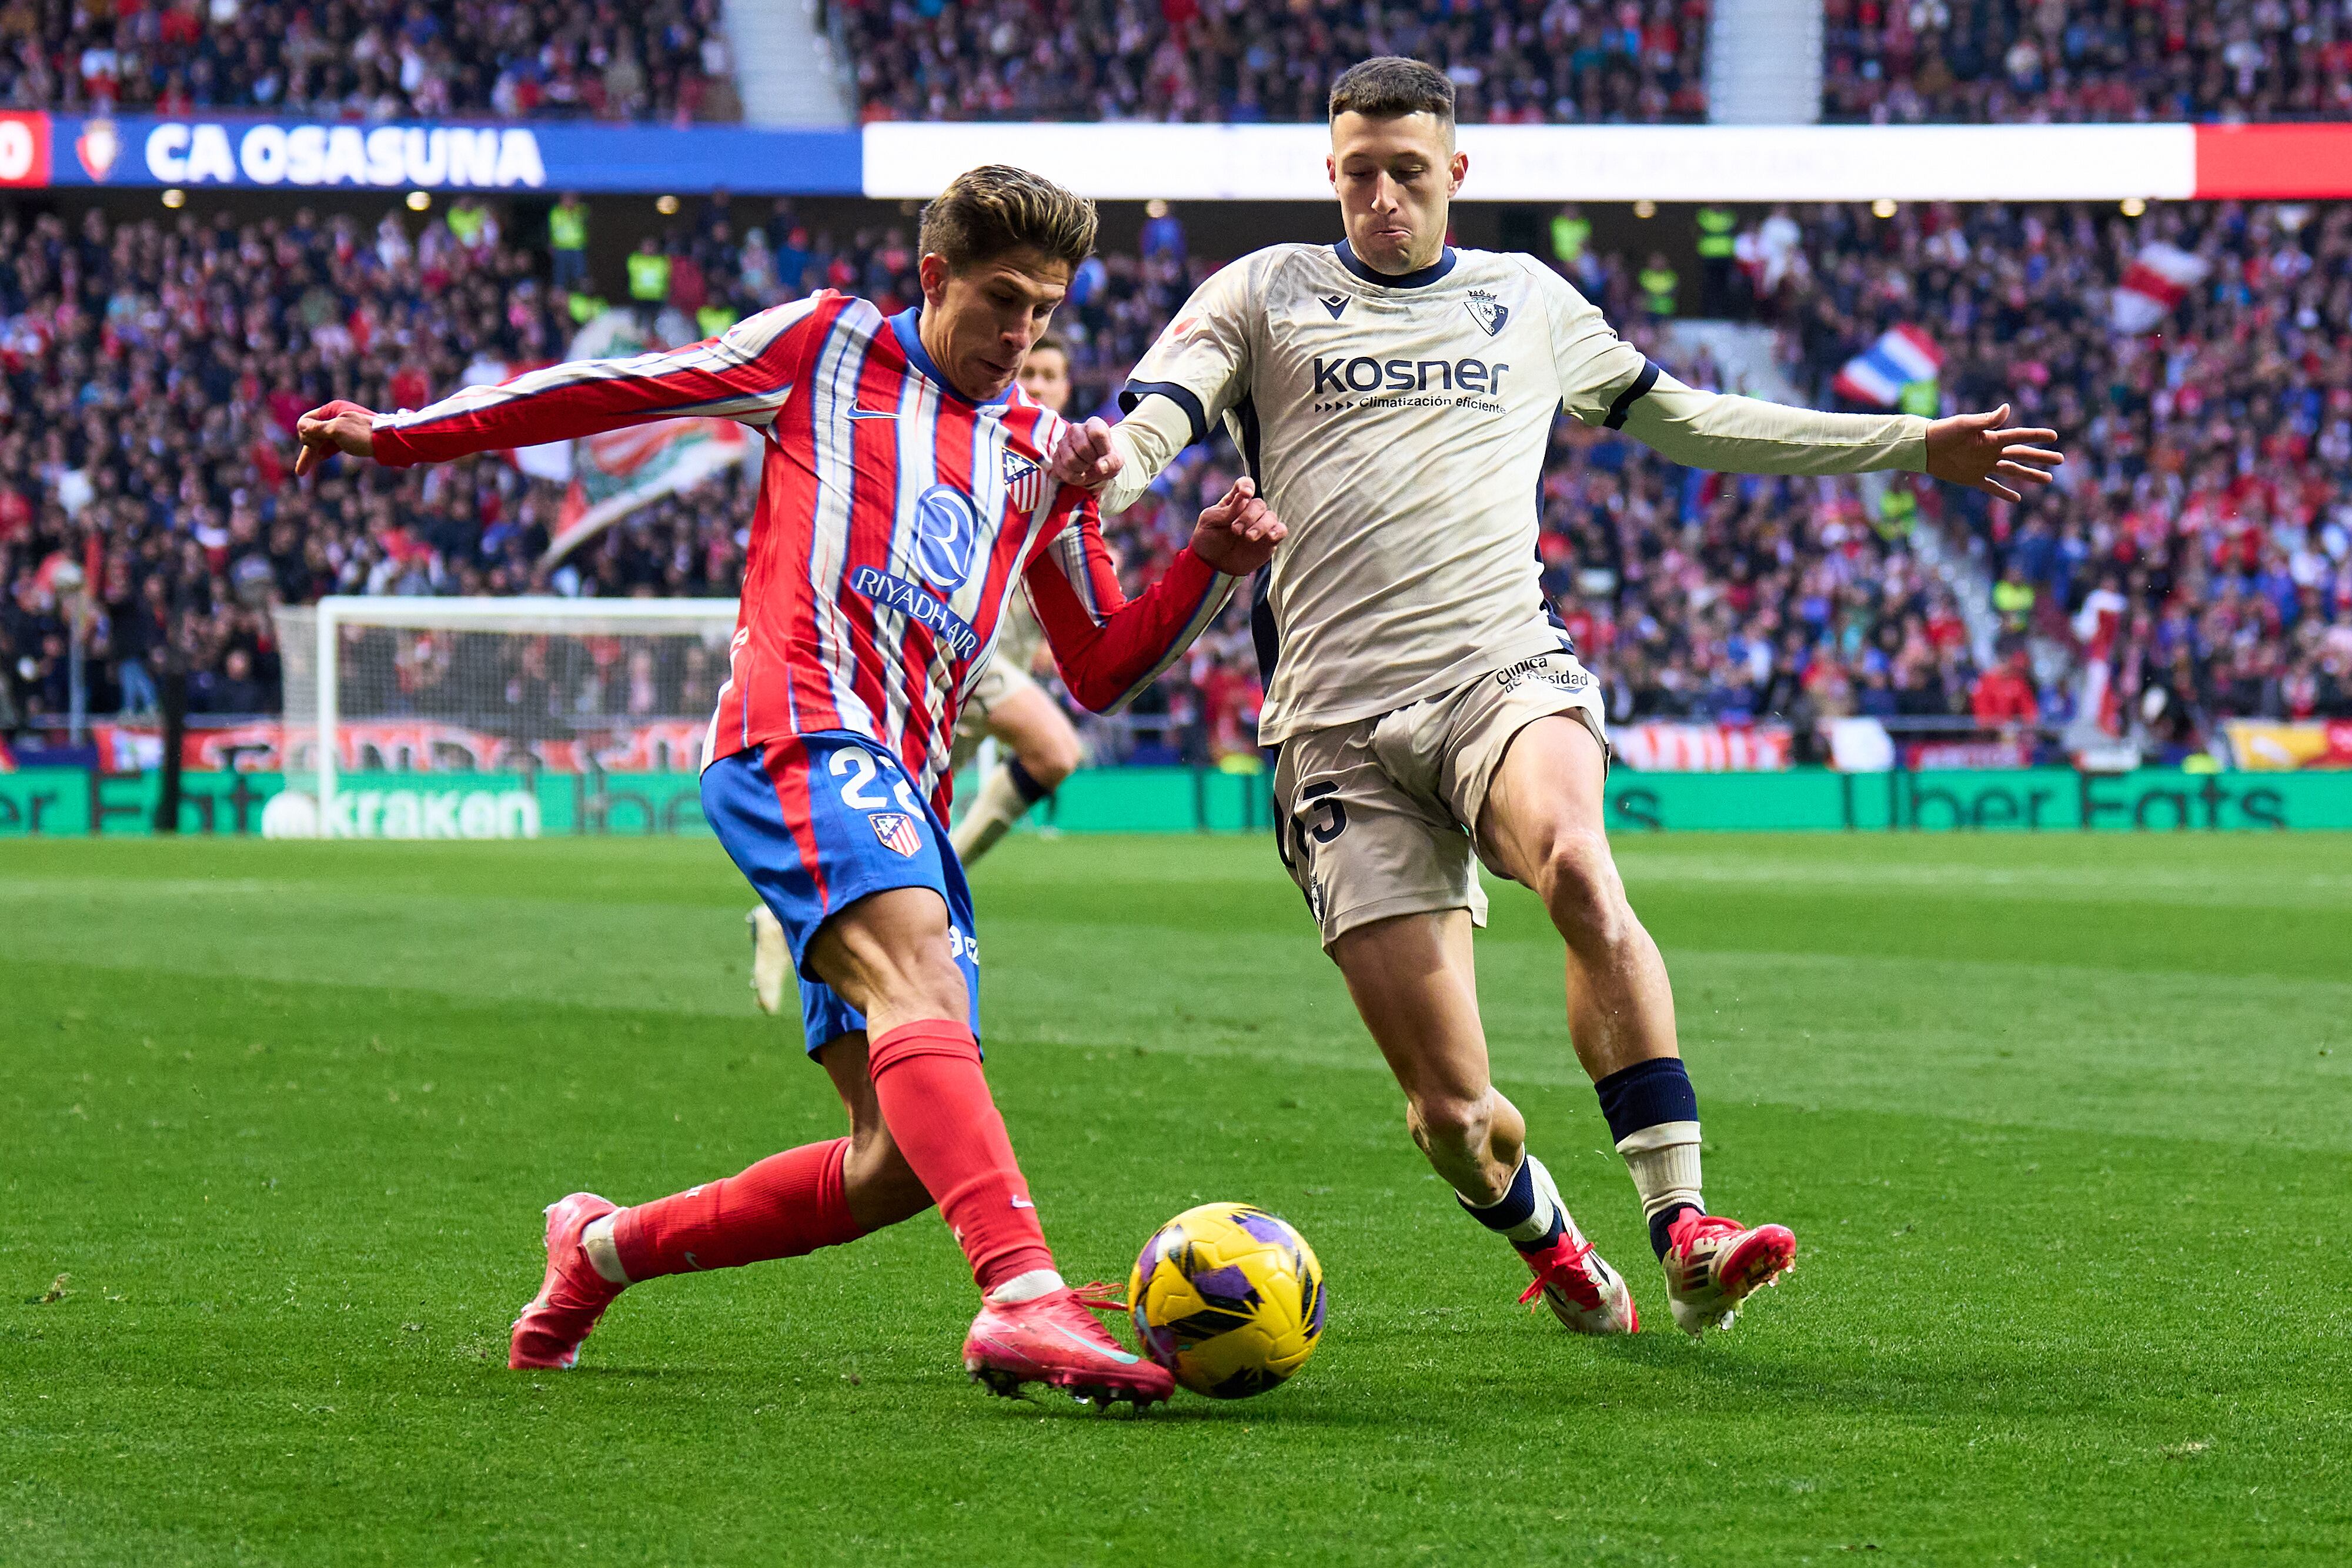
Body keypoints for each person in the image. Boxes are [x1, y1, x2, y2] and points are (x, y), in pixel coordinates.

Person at [1050, 57, 2062, 1339]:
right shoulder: (1260, 293)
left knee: (1580, 866)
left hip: (1498, 673)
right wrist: (1110, 468)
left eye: (1406, 173)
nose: (1380, 198)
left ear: (1454, 174)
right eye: (1356, 173)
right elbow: (1150, 419)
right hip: (1335, 736)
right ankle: (1553, 1240)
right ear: (1329, 175)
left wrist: (1909, 443)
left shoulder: (1522, 301)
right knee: (1454, 1118)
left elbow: (1687, 419)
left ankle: (1683, 1225)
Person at [293, 165, 1285, 1405]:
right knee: (916, 975)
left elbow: (1099, 662)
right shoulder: (825, 344)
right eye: (998, 300)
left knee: (897, 1161)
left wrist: (1204, 560)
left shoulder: (1040, 457)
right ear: (934, 279)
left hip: (901, 785)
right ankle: (1023, 1294)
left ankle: (597, 1248)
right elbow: (617, 388)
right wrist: (403, 434)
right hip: (797, 733)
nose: (1020, 333)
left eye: (1042, 308)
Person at [746, 333, 1091, 1014]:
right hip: (951, 658)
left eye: (1057, 374)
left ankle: (787, 918)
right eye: (1037, 371)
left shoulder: (1049, 459)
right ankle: (942, 880)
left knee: (892, 843)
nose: (1047, 385)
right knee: (1056, 751)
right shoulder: (976, 438)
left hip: (961, 679)